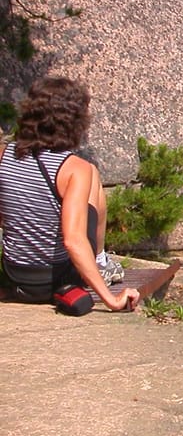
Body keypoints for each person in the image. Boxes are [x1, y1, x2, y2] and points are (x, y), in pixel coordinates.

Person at [0, 76, 139, 312]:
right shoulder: (74, 168)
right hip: (57, 280)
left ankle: (99, 260)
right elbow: (73, 240)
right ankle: (99, 261)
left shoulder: (4, 155)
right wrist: (112, 300)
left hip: (16, 276)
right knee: (90, 176)